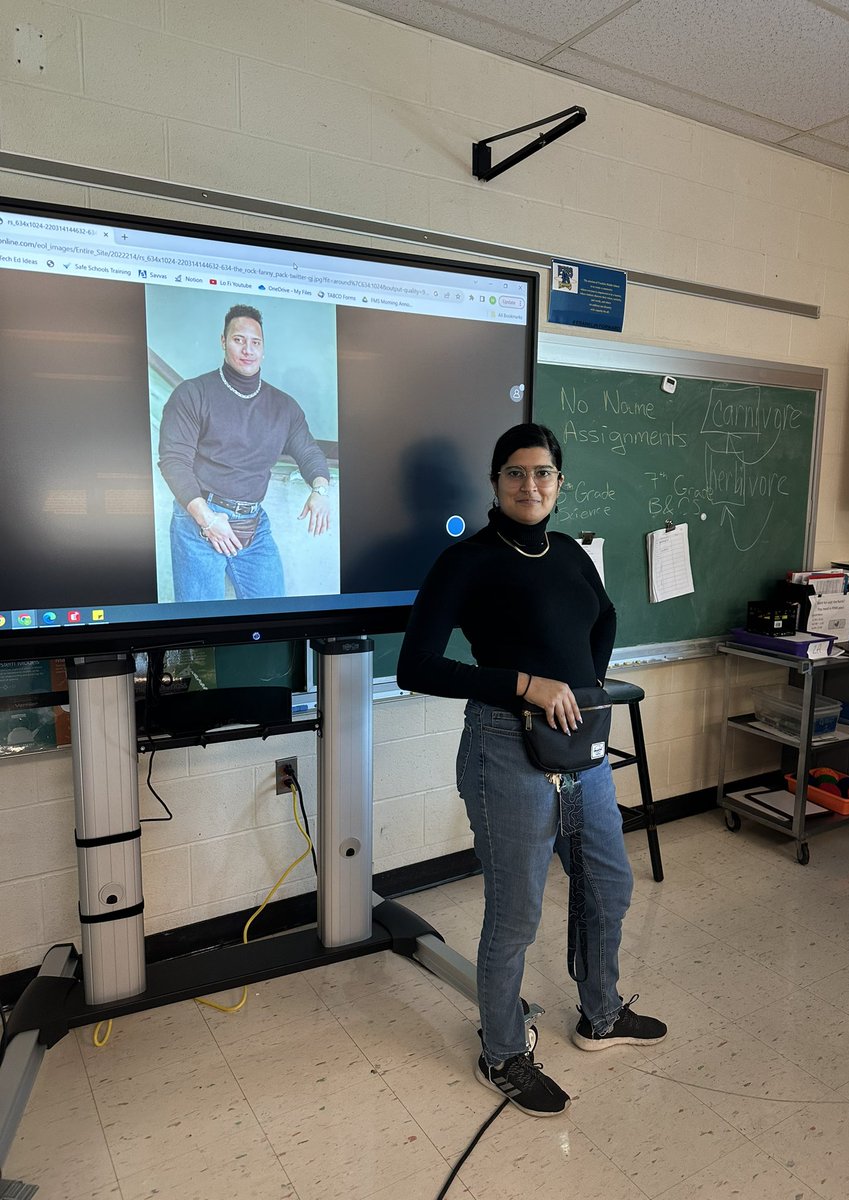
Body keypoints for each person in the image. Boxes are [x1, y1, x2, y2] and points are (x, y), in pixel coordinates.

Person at [397, 422, 666, 1117]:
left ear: (559, 482)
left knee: (607, 884)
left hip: (577, 749)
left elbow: (603, 617)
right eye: (516, 473)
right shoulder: (468, 560)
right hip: (503, 746)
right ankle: (504, 1053)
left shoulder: (570, 551)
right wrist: (526, 685)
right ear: (496, 482)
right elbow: (416, 665)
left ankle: (601, 1015)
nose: (530, 486)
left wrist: (583, 688)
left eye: (543, 473)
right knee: (515, 913)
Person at [157, 304, 331, 602]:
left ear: (263, 349)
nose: (248, 349)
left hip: (254, 525)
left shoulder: (283, 406)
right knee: (200, 627)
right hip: (199, 522)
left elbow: (308, 451)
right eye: (239, 340)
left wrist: (321, 489)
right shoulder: (192, 393)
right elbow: (173, 462)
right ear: (223, 341)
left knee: (274, 619)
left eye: (255, 342)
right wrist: (207, 519)